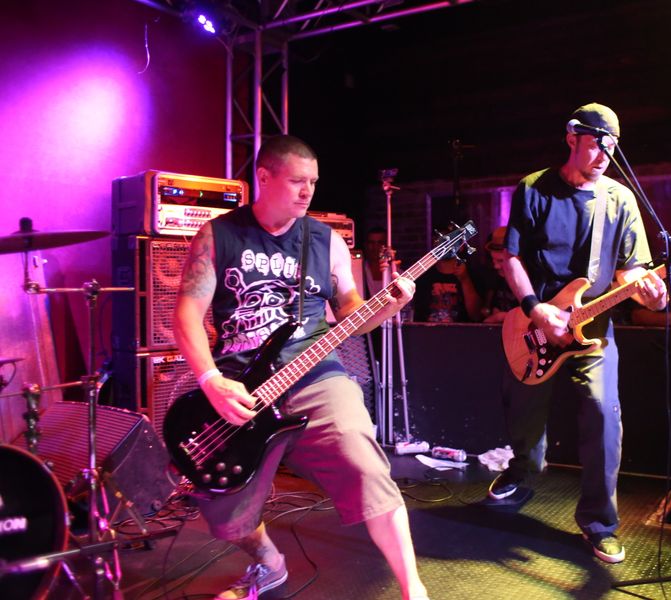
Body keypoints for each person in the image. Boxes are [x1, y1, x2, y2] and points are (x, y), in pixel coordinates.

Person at [173, 135, 429, 600]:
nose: (307, 191)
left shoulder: (324, 240)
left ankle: (414, 589)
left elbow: (353, 316)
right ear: (264, 177)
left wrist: (389, 305)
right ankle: (270, 563)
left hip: (314, 371)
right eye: (296, 181)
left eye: (313, 181)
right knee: (224, 507)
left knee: (363, 461)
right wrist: (211, 380)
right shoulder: (219, 235)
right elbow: (186, 314)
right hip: (242, 382)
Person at [490, 102, 666, 564]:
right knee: (524, 412)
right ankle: (523, 469)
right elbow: (512, 258)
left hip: (594, 327)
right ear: (572, 139)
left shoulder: (620, 199)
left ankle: (599, 524)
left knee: (603, 415)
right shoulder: (534, 188)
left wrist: (648, 292)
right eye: (596, 145)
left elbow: (630, 270)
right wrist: (535, 309)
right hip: (536, 319)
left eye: (612, 148)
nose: (604, 156)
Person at [412, 234, 482, 323]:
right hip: (428, 330)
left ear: (460, 246)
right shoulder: (423, 275)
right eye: (439, 241)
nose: (443, 246)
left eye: (448, 241)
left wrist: (465, 280)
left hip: (461, 330)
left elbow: (476, 316)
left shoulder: (472, 274)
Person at [479, 226, 518, 324]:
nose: (496, 266)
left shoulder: (534, 282)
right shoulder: (497, 278)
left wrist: (501, 317)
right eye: (493, 260)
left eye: (500, 261)